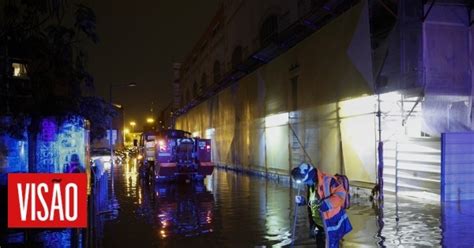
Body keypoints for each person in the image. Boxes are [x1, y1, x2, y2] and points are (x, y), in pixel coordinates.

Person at [291, 162, 352, 248]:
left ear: (311, 176)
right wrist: (304, 201)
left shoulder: (329, 180)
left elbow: (341, 195)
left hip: (331, 225)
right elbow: (315, 203)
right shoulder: (311, 185)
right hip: (319, 225)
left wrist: (327, 204)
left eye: (306, 181)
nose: (306, 184)